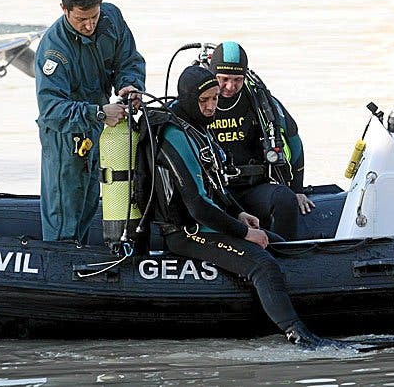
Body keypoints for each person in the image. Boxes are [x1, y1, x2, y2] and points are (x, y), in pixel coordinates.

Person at [143, 65, 342, 349]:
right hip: (185, 231)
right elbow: (197, 205)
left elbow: (215, 187)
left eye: (214, 99)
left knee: (279, 245)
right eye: (205, 101)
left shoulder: (197, 129)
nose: (212, 106)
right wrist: (243, 233)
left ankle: (287, 312)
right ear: (188, 99)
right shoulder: (175, 136)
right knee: (262, 265)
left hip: (210, 221)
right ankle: (299, 336)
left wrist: (239, 213)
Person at [35, 0, 146, 242]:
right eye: (81, 19)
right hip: (65, 137)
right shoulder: (53, 50)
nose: (89, 25)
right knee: (65, 215)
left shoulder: (111, 18)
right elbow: (50, 110)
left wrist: (129, 86)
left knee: (88, 206)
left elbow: (129, 59)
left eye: (93, 17)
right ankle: (60, 265)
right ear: (64, 9)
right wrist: (96, 113)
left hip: (100, 129)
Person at [207, 41, 314, 240]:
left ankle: (286, 260)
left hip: (251, 187)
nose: (230, 86)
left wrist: (297, 189)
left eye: (238, 79)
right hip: (215, 192)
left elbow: (294, 141)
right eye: (224, 79)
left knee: (285, 199)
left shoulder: (259, 101)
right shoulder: (198, 99)